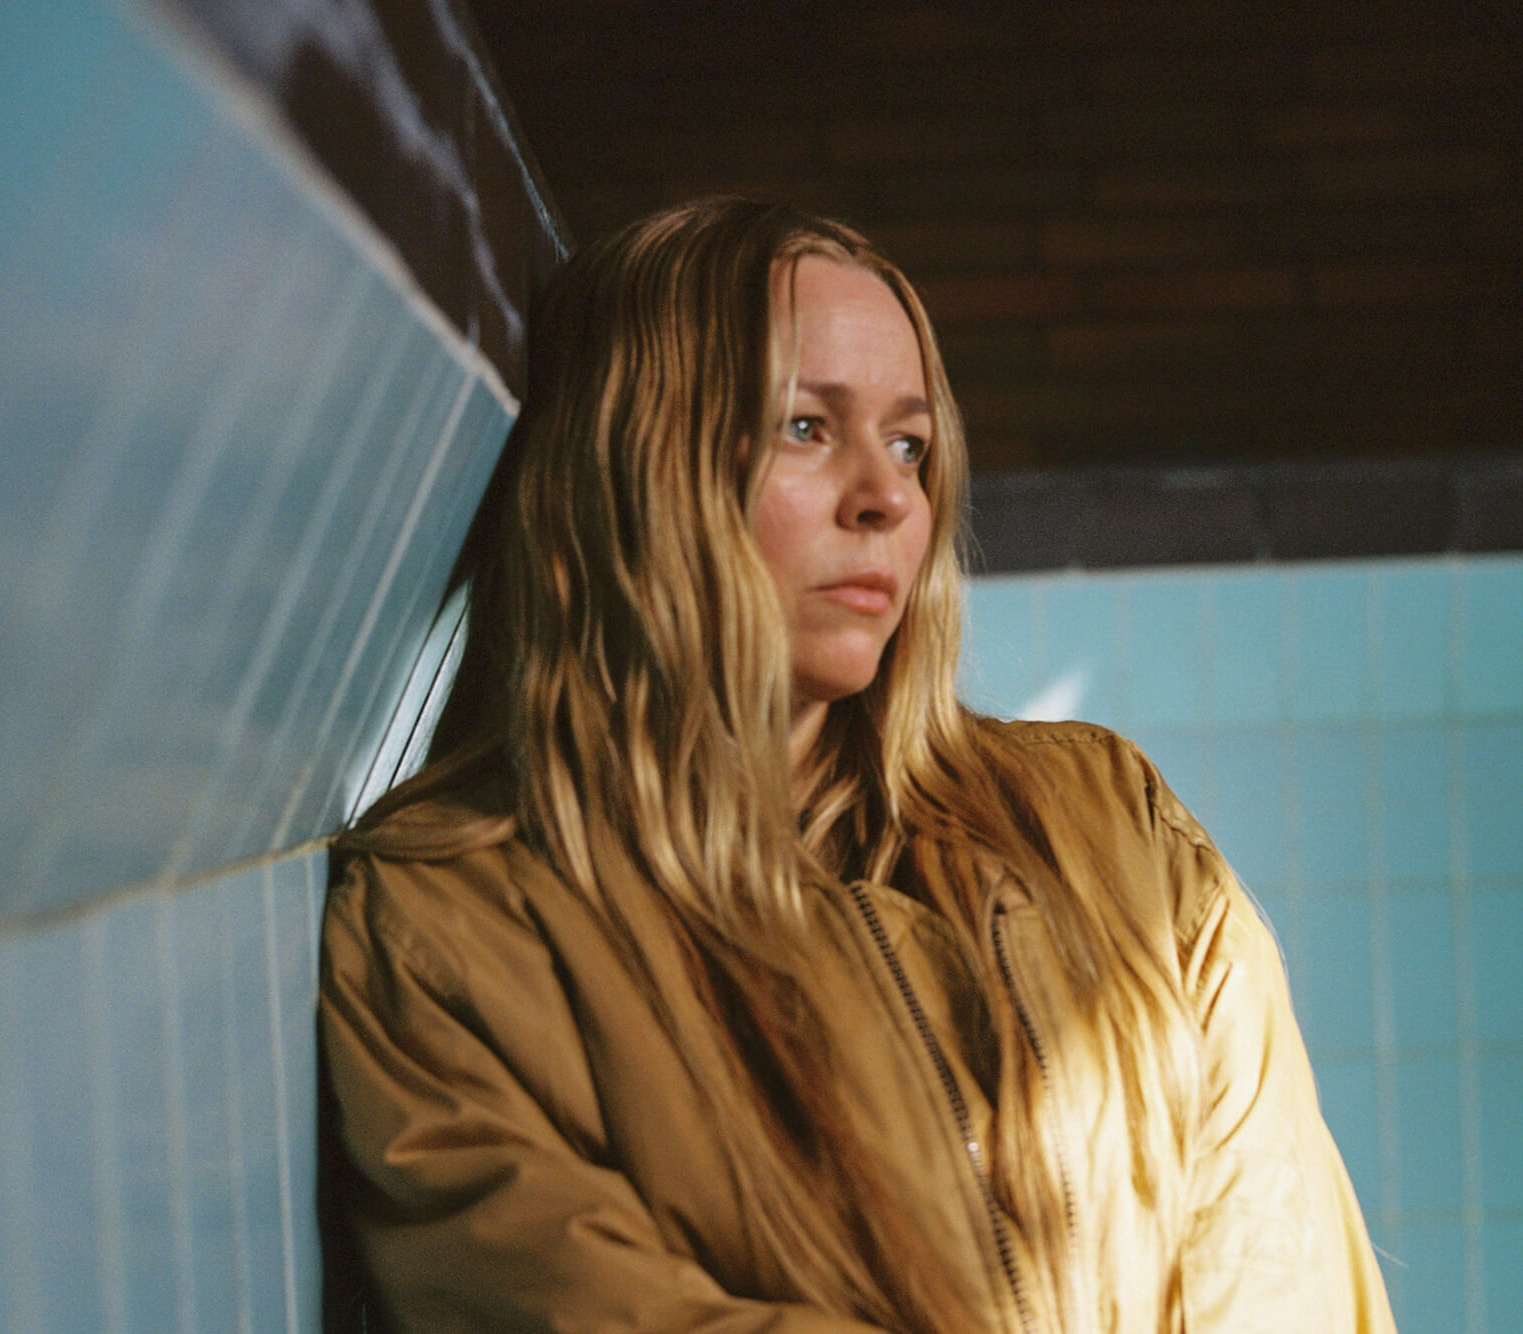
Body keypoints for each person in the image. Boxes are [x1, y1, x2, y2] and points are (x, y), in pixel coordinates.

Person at [319, 197, 1396, 1332]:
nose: (886, 498)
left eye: (909, 444)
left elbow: (1284, 1272)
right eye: (805, 427)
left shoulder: (1109, 824)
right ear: (642, 468)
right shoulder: (454, 932)